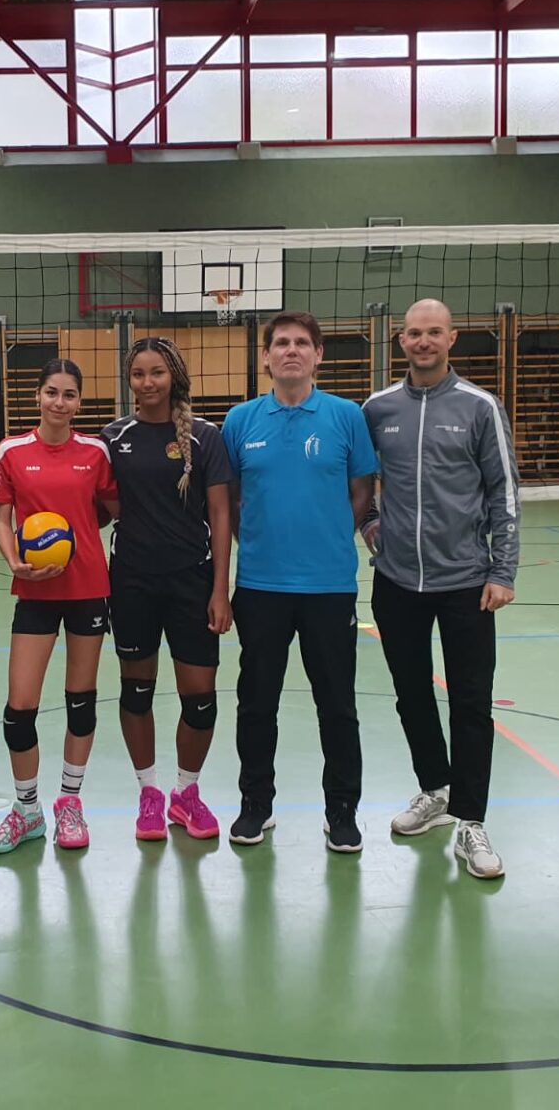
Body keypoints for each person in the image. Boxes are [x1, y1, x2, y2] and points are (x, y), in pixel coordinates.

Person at [363, 298, 519, 879]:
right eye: (413, 333)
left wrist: (502, 571)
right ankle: (436, 789)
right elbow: (361, 481)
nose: (423, 341)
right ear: (400, 341)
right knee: (411, 694)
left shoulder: (481, 407)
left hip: (466, 583)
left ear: (451, 339)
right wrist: (369, 523)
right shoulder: (378, 408)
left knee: (472, 703)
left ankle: (471, 821)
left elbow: (503, 491)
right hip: (397, 580)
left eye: (434, 332)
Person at [221, 310, 378, 853]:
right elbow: (230, 499)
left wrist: (331, 536)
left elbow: (362, 490)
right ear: (265, 357)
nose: (291, 350)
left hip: (329, 587)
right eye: (281, 343)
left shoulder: (346, 416)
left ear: (318, 356)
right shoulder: (240, 420)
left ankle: (342, 812)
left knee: (337, 706)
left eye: (302, 343)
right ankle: (255, 806)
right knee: (256, 703)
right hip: (260, 587)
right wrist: (257, 542)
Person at [101, 337, 233, 842]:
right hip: (132, 581)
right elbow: (98, 508)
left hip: (192, 581)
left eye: (157, 372)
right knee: (137, 692)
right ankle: (149, 794)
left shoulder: (205, 436)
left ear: (174, 375)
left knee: (200, 698)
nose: (147, 382)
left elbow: (219, 513)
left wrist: (219, 590)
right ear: (129, 380)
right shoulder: (113, 437)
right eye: (138, 374)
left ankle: (186, 793)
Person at [0, 358, 117, 854]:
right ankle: (27, 812)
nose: (59, 402)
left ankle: (69, 803)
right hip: (35, 591)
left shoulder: (96, 452)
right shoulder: (12, 451)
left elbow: (112, 510)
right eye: (51, 392)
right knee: (20, 708)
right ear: (38, 396)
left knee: (80, 700)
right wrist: (15, 561)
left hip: (87, 587)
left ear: (79, 402)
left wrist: (76, 533)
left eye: (69, 394)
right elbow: (2, 519)